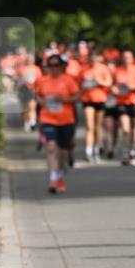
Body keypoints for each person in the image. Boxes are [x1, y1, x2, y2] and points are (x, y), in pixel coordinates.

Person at [35, 53, 80, 193]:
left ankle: (60, 176)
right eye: (50, 65)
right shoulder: (42, 80)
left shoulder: (68, 80)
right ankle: (53, 179)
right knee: (51, 147)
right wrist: (41, 101)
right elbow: (37, 95)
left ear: (61, 66)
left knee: (63, 152)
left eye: (56, 65)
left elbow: (77, 96)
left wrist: (64, 99)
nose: (53, 68)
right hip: (48, 119)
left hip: (66, 120)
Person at [112, 50, 135, 165]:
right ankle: (125, 152)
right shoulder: (117, 71)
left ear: (132, 59)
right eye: (124, 57)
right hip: (121, 103)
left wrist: (133, 87)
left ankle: (132, 151)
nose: (126, 59)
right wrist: (115, 90)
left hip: (134, 102)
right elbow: (113, 86)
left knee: (134, 128)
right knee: (125, 129)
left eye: (128, 57)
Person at [80, 53, 112, 163]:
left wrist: (99, 82)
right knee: (89, 126)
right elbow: (79, 84)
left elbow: (109, 83)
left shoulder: (103, 68)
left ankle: (96, 150)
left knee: (97, 127)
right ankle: (88, 151)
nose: (92, 59)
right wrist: (84, 86)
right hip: (87, 99)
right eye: (90, 58)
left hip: (99, 99)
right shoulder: (83, 69)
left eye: (94, 57)